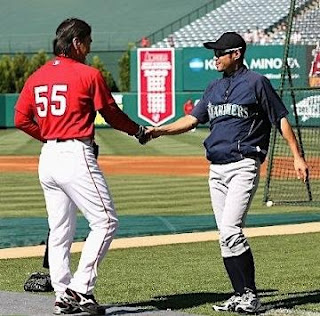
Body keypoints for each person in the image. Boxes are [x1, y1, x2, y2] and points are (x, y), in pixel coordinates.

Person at [147, 32, 308, 314]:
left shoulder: (257, 82)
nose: (215, 57)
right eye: (214, 52)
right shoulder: (212, 87)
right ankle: (239, 294)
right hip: (216, 168)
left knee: (232, 230)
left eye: (220, 52)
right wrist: (158, 130)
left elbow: (280, 118)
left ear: (236, 54)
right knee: (225, 234)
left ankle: (250, 295)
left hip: (243, 163)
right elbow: (192, 119)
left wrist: (297, 156)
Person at [14, 18, 149, 315]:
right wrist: (137, 131)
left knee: (60, 229)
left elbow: (21, 119)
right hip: (76, 154)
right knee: (106, 222)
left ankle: (63, 295)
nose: (89, 48)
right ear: (76, 43)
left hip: (48, 157)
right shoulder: (88, 74)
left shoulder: (37, 75)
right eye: (87, 42)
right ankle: (80, 287)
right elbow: (111, 114)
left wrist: (47, 135)